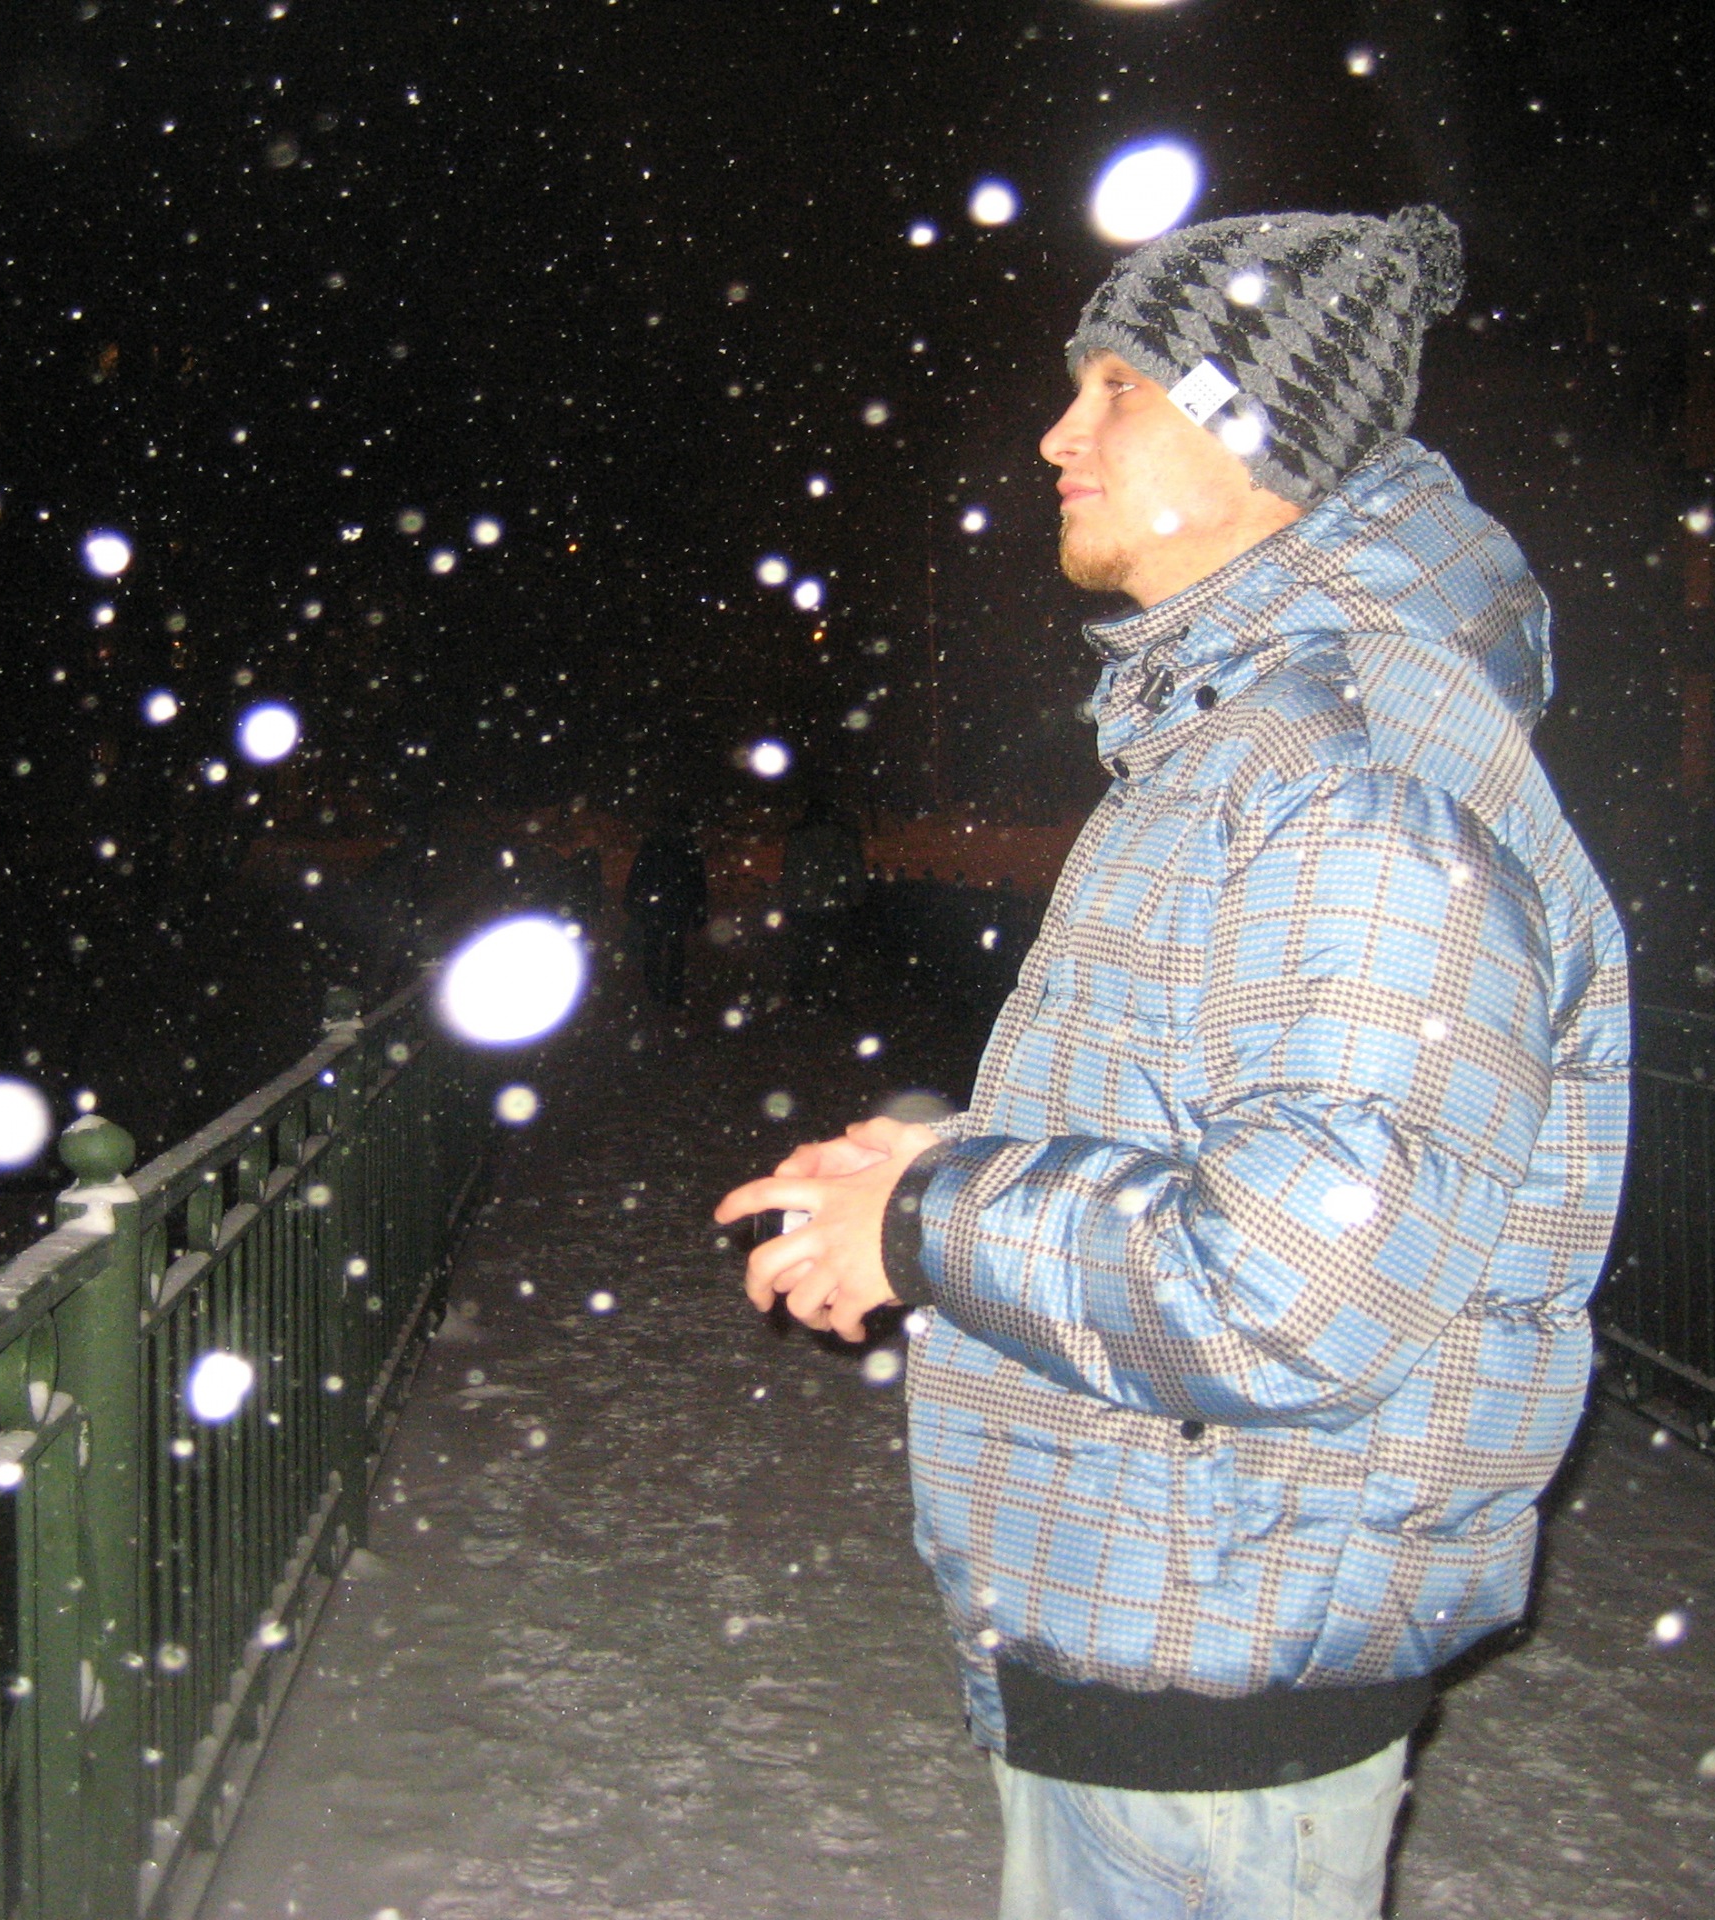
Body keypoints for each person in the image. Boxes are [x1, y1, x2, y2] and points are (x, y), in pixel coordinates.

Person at [716, 206, 1630, 1918]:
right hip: (1182, 1628)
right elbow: (1209, 1137)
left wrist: (931, 1226)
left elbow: (1293, 1281)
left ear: (1256, 426)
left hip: (1220, 1663)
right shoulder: (1251, 739)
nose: (1057, 434)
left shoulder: (1353, 767)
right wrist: (923, 1175)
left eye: (1118, 387)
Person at [779, 792, 868, 1006]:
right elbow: (854, 869)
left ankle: (802, 992)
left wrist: (788, 901)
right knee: (833, 949)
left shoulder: (798, 838)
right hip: (835, 902)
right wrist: (857, 898)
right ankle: (832, 993)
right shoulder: (843, 837)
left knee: (806, 949)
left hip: (805, 903)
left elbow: (791, 872)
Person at [624, 805, 708, 1008]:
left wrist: (632, 897)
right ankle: (667, 994)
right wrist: (699, 908)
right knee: (668, 950)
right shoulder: (683, 846)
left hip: (665, 904)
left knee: (661, 949)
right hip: (672, 904)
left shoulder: (660, 845)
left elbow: (697, 880)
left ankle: (662, 993)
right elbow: (697, 880)